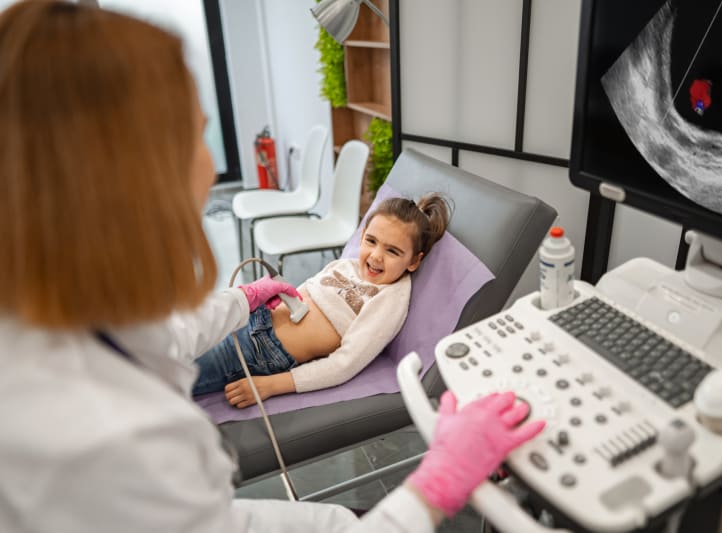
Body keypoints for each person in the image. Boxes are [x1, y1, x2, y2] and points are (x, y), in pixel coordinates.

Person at [0, 2, 547, 532]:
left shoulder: (57, 321)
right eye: (196, 134)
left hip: (271, 348)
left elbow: (165, 337)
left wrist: (244, 303)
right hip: (258, 340)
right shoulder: (104, 442)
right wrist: (438, 485)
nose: (212, 162)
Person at [192, 194, 450, 408]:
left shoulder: (390, 298)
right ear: (362, 237)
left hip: (260, 354)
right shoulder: (346, 265)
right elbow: (305, 291)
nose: (376, 256)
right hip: (251, 317)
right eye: (371, 241)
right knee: (181, 341)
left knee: (172, 374)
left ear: (414, 261)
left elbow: (344, 364)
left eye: (392, 251)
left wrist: (270, 385)